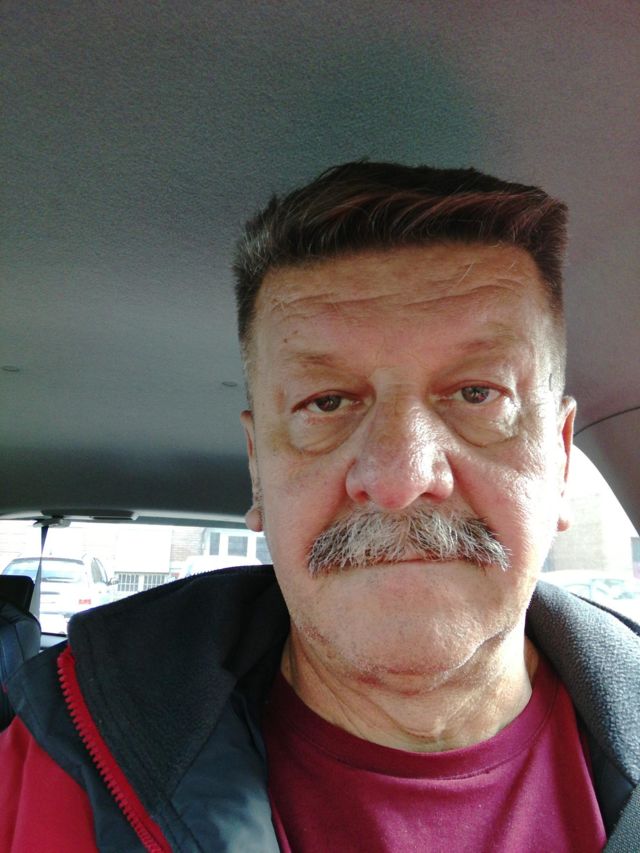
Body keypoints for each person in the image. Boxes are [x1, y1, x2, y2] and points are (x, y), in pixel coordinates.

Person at [1, 161, 638, 852]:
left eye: (477, 393)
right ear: (257, 470)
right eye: (326, 402)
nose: (398, 480)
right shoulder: (47, 765)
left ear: (561, 457)